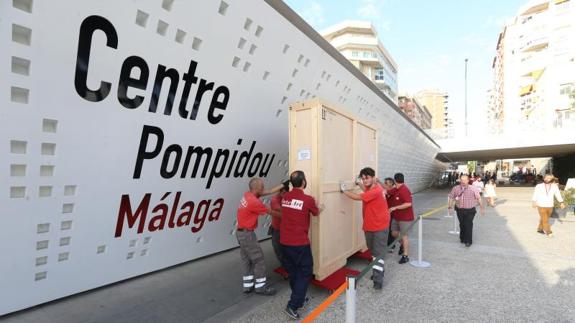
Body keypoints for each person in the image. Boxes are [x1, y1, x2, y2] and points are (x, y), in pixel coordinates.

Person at [280, 171, 322, 320]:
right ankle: (293, 305)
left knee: (293, 272)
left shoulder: (285, 197)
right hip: (299, 243)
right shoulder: (308, 199)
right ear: (303, 182)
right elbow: (316, 212)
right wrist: (319, 206)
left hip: (284, 241)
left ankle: (300, 297)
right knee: (305, 272)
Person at [341, 167, 390, 290]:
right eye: (363, 179)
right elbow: (366, 191)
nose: (365, 181)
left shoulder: (377, 190)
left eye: (367, 178)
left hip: (379, 226)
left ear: (373, 177)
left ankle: (378, 280)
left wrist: (344, 190)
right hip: (370, 225)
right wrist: (358, 184)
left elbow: (358, 197)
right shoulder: (371, 188)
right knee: (373, 252)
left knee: (378, 254)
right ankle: (377, 271)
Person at [236, 178, 284, 296]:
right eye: (262, 186)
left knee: (246, 258)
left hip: (240, 233)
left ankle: (247, 285)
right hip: (247, 234)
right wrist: (288, 216)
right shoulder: (254, 202)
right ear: (256, 188)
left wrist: (283, 184)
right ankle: (261, 287)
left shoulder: (248, 195)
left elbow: (267, 191)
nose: (264, 188)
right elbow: (271, 212)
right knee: (259, 259)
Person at [448, 174, 485, 247]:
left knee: (468, 224)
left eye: (465, 180)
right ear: (459, 180)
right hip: (459, 210)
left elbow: (479, 198)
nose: (463, 181)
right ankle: (462, 237)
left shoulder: (473, 188)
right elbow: (451, 197)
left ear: (468, 180)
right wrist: (450, 207)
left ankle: (468, 241)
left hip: (470, 210)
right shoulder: (455, 188)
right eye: (461, 180)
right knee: (462, 224)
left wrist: (482, 208)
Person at [388, 173, 415, 264]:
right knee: (394, 233)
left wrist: (395, 207)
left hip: (405, 218)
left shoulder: (405, 190)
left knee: (404, 236)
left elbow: (408, 204)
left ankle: (405, 256)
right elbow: (386, 191)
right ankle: (403, 245)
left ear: (395, 181)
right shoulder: (396, 189)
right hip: (397, 217)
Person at [268, 181, 290, 265]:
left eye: (286, 193)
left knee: (288, 250)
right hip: (277, 229)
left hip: (287, 229)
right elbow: (281, 212)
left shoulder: (289, 198)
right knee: (279, 250)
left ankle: (288, 267)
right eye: (283, 193)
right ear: (280, 191)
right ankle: (286, 268)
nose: (285, 195)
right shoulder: (275, 200)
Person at [382, 177, 396, 252]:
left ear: (391, 184)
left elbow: (387, 190)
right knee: (385, 230)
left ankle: (391, 246)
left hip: (392, 213)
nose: (384, 184)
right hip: (385, 213)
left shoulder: (393, 190)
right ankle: (387, 244)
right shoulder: (386, 191)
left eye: (386, 183)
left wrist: (378, 181)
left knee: (391, 230)